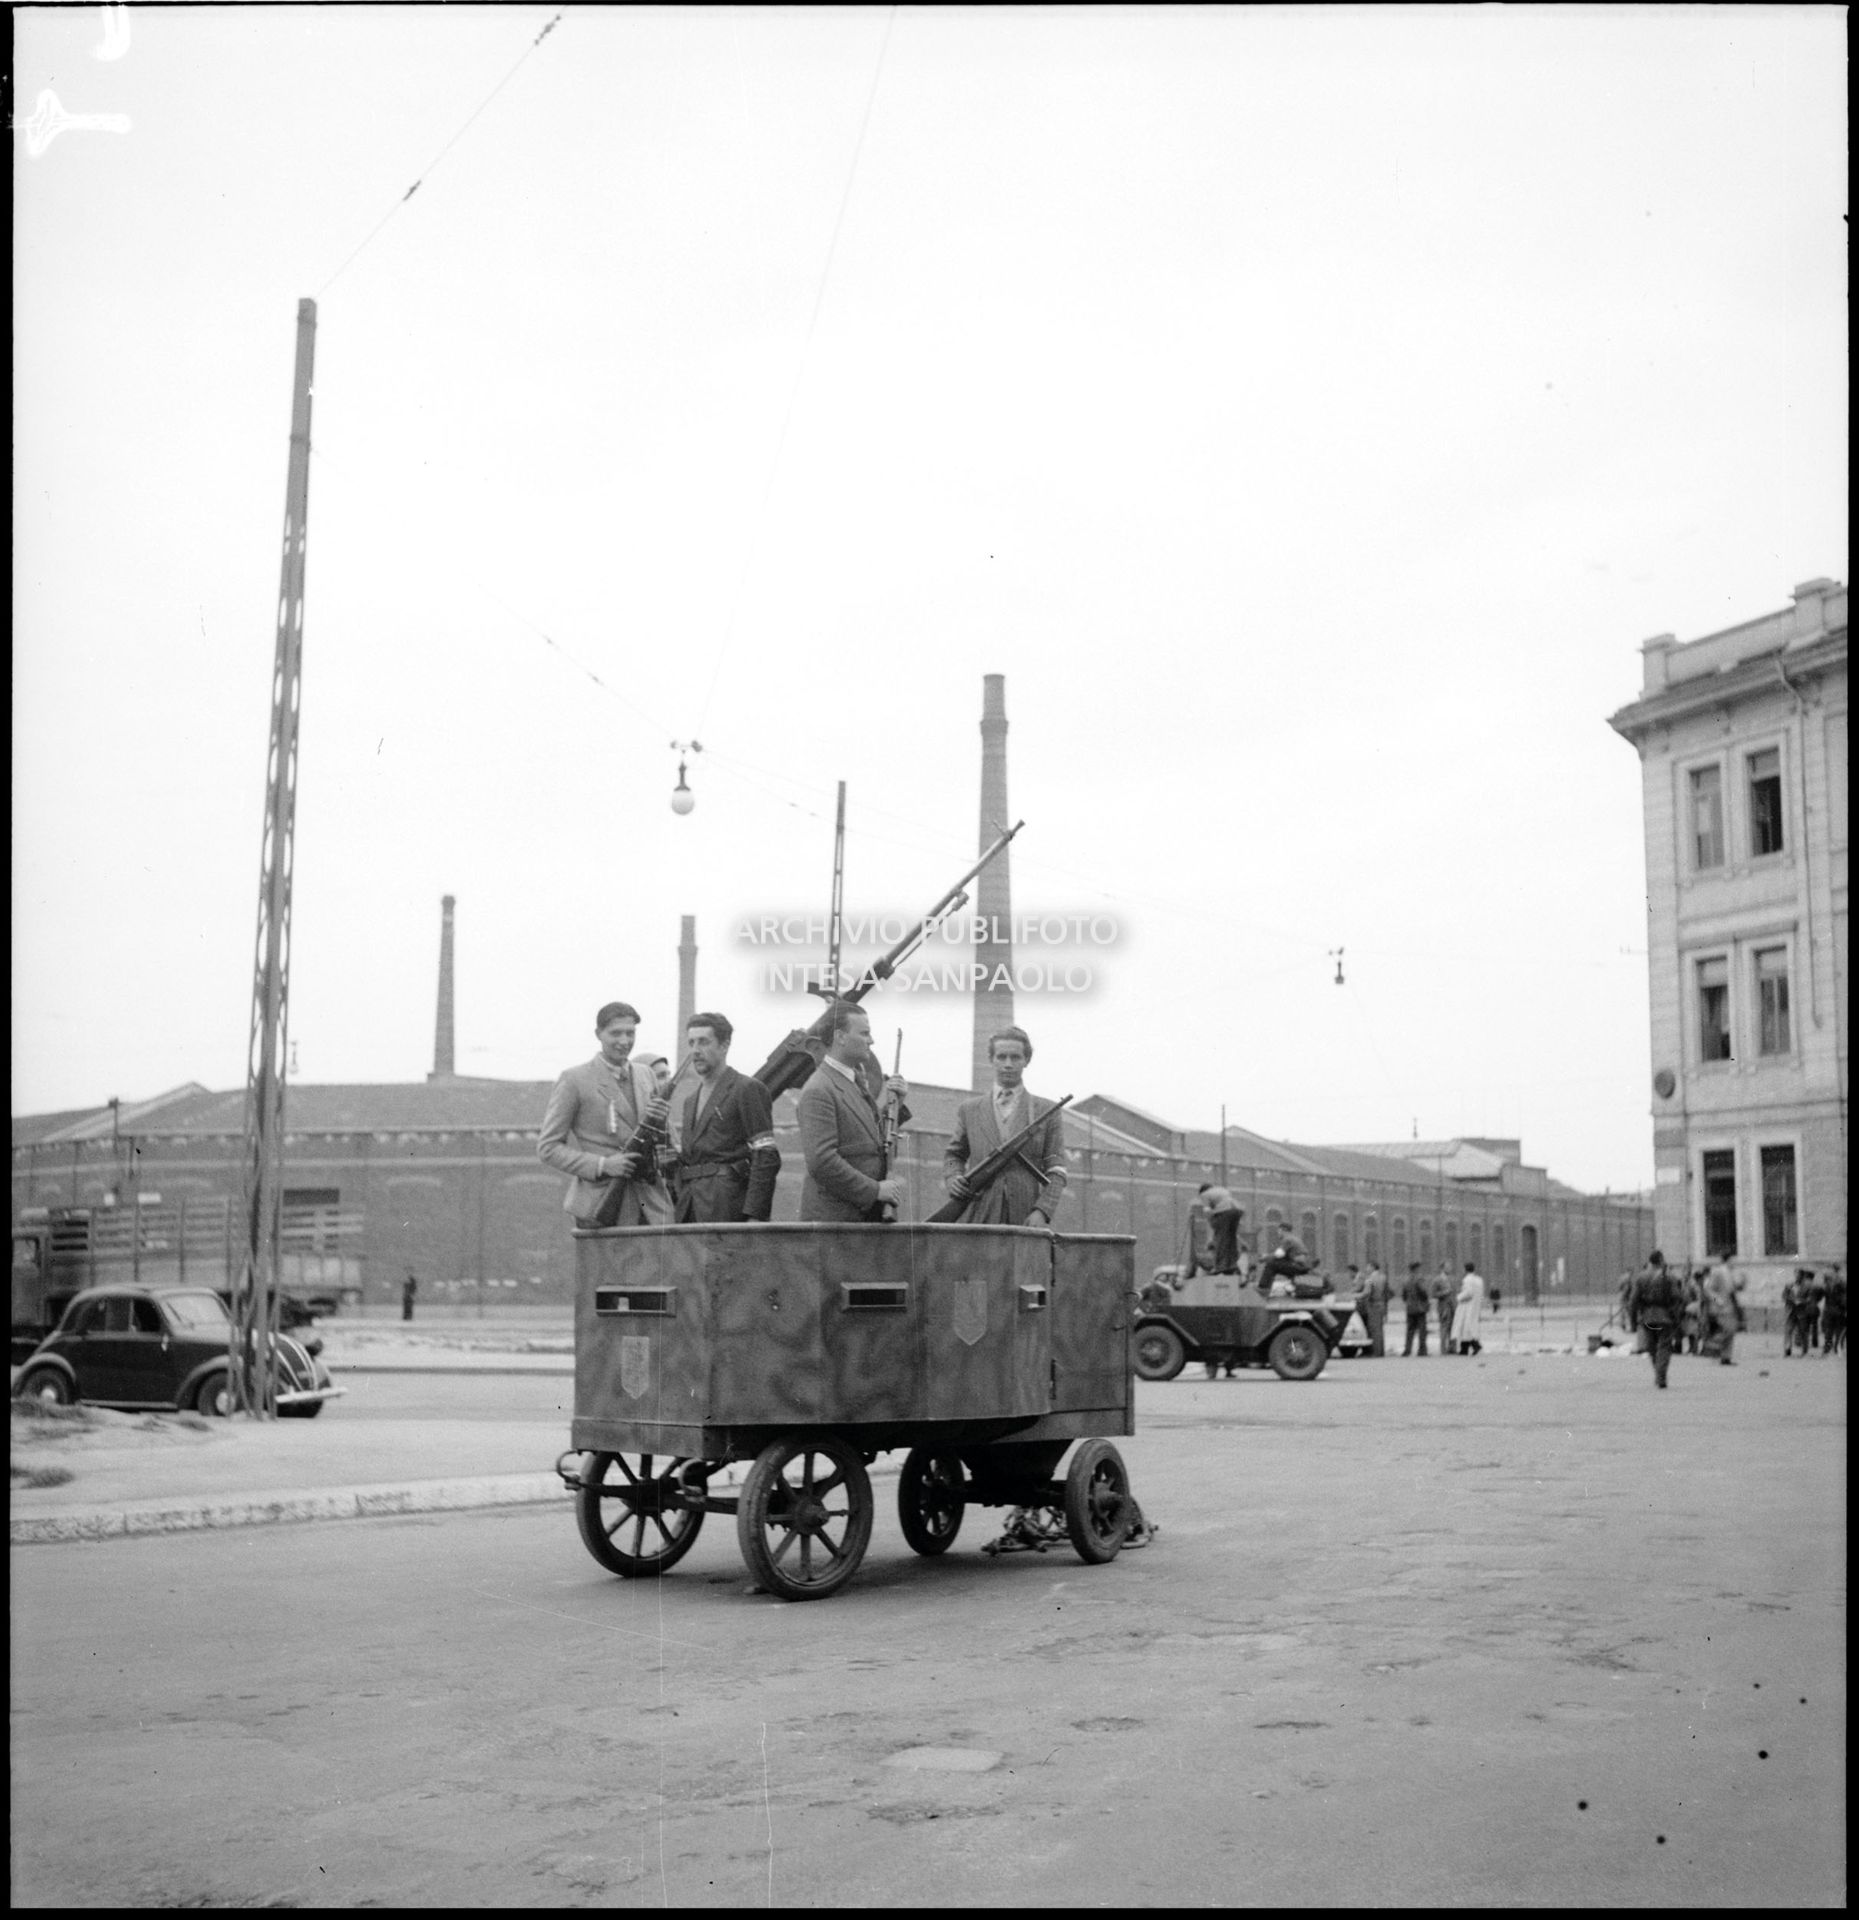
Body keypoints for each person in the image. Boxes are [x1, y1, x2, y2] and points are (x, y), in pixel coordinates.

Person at [537, 1000, 673, 1227]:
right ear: (598, 1034)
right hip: (602, 1205)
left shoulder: (646, 1075)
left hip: (651, 1204)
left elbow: (663, 1145)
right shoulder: (575, 1079)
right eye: (615, 1033)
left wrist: (661, 1124)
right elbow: (548, 1148)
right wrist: (602, 1165)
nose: (624, 1041)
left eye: (630, 1033)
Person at [943, 1027, 1069, 1226]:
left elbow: (1057, 1169)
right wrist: (953, 1176)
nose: (1008, 1064)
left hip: (1026, 1217)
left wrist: (1042, 1211)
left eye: (1015, 1057)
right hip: (978, 1215)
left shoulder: (1048, 1111)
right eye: (1001, 1057)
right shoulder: (969, 1109)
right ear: (991, 1059)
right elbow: (953, 1155)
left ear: (1027, 1060)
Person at [796, 1003, 910, 1222]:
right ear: (840, 1037)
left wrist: (896, 1106)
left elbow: (874, 1145)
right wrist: (875, 1190)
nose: (871, 1041)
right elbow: (822, 1161)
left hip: (857, 1222)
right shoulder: (819, 1089)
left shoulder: (853, 1083)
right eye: (865, 1033)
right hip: (836, 1226)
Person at [666, 1012, 780, 1223]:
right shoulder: (690, 1101)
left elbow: (766, 1155)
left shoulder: (746, 1089)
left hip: (727, 1204)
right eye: (691, 1043)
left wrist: (755, 1216)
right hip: (689, 1205)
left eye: (703, 1042)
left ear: (724, 1045)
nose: (695, 1051)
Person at [1627, 1248, 1683, 1388]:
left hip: (1647, 1318)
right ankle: (1661, 1376)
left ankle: (1658, 1374)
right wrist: (1675, 1314)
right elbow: (1677, 1297)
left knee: (1652, 1348)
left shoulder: (1641, 1277)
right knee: (1664, 1346)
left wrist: (1633, 1321)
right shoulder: (1669, 1277)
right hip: (1664, 1317)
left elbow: (1633, 1301)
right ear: (1661, 1261)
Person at [1196, 1183, 1246, 1275]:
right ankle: (1232, 1265)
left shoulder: (1204, 1194)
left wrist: (1212, 1222)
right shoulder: (1221, 1190)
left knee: (1220, 1239)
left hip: (1225, 1211)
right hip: (1237, 1210)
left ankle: (1220, 1267)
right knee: (1231, 1240)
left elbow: (1207, 1211)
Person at [1701, 1262, 1742, 1365]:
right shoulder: (1715, 1276)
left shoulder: (1729, 1278)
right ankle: (1712, 1348)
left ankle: (1726, 1357)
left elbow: (1734, 1292)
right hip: (1718, 1309)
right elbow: (1708, 1291)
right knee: (1726, 1331)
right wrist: (1717, 1300)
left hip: (1728, 1308)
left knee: (1730, 1331)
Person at [1355, 1261, 1390, 1358]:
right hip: (1381, 1304)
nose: (1367, 1269)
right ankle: (1381, 1351)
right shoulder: (1383, 1277)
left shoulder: (1370, 1279)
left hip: (1373, 1305)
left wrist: (1355, 1296)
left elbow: (1366, 1293)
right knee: (1380, 1329)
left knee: (1374, 1329)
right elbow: (1388, 1292)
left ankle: (1375, 1351)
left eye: (1368, 1267)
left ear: (1372, 1267)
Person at [1451, 1261, 1486, 1356]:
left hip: (1466, 1306)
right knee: (1468, 1328)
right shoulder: (1479, 1279)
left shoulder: (1467, 1279)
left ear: (1465, 1269)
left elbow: (1468, 1293)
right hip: (1475, 1306)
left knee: (1465, 1327)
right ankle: (1464, 1348)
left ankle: (1475, 1345)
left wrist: (1458, 1297)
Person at [1782, 1269, 1815, 1357]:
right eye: (1796, 1275)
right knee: (1788, 1330)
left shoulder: (1807, 1287)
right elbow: (1784, 1296)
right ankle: (1787, 1349)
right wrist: (1792, 1300)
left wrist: (1801, 1301)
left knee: (1803, 1331)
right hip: (1791, 1311)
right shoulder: (1789, 1285)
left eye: (1799, 1275)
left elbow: (1810, 1299)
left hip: (1802, 1312)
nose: (1797, 1277)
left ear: (1802, 1276)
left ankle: (1805, 1350)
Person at [1401, 1263, 1430, 1356]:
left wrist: (1408, 1301)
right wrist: (1426, 1300)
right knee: (1422, 1330)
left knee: (1410, 1330)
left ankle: (1407, 1350)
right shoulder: (1419, 1279)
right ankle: (1422, 1350)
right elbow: (1423, 1292)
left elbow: (1404, 1295)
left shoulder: (1406, 1280)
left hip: (1410, 1307)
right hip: (1420, 1307)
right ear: (1416, 1269)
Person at [1430, 1265, 1458, 1355]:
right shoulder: (1437, 1280)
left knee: (1453, 1328)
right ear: (1442, 1268)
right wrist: (1444, 1292)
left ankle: (1452, 1347)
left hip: (1453, 1306)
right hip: (1444, 1307)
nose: (1450, 1268)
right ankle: (1443, 1349)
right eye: (1447, 1267)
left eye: (1450, 1267)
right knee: (1444, 1327)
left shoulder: (1453, 1279)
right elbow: (1433, 1294)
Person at [1821, 1266, 1846, 1355]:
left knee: (1829, 1329)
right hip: (1838, 1310)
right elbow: (1844, 1299)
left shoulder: (1828, 1284)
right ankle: (1836, 1347)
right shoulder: (1842, 1282)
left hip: (1829, 1310)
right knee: (1838, 1329)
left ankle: (1827, 1347)